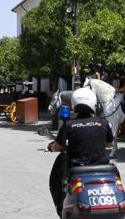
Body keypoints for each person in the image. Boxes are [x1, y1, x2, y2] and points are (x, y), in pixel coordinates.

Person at [48, 87, 113, 217]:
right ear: (94, 103)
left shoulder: (69, 125)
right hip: (102, 167)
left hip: (77, 168)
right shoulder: (103, 123)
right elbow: (109, 144)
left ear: (74, 104)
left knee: (55, 179)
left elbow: (58, 147)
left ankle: (61, 207)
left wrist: (51, 147)